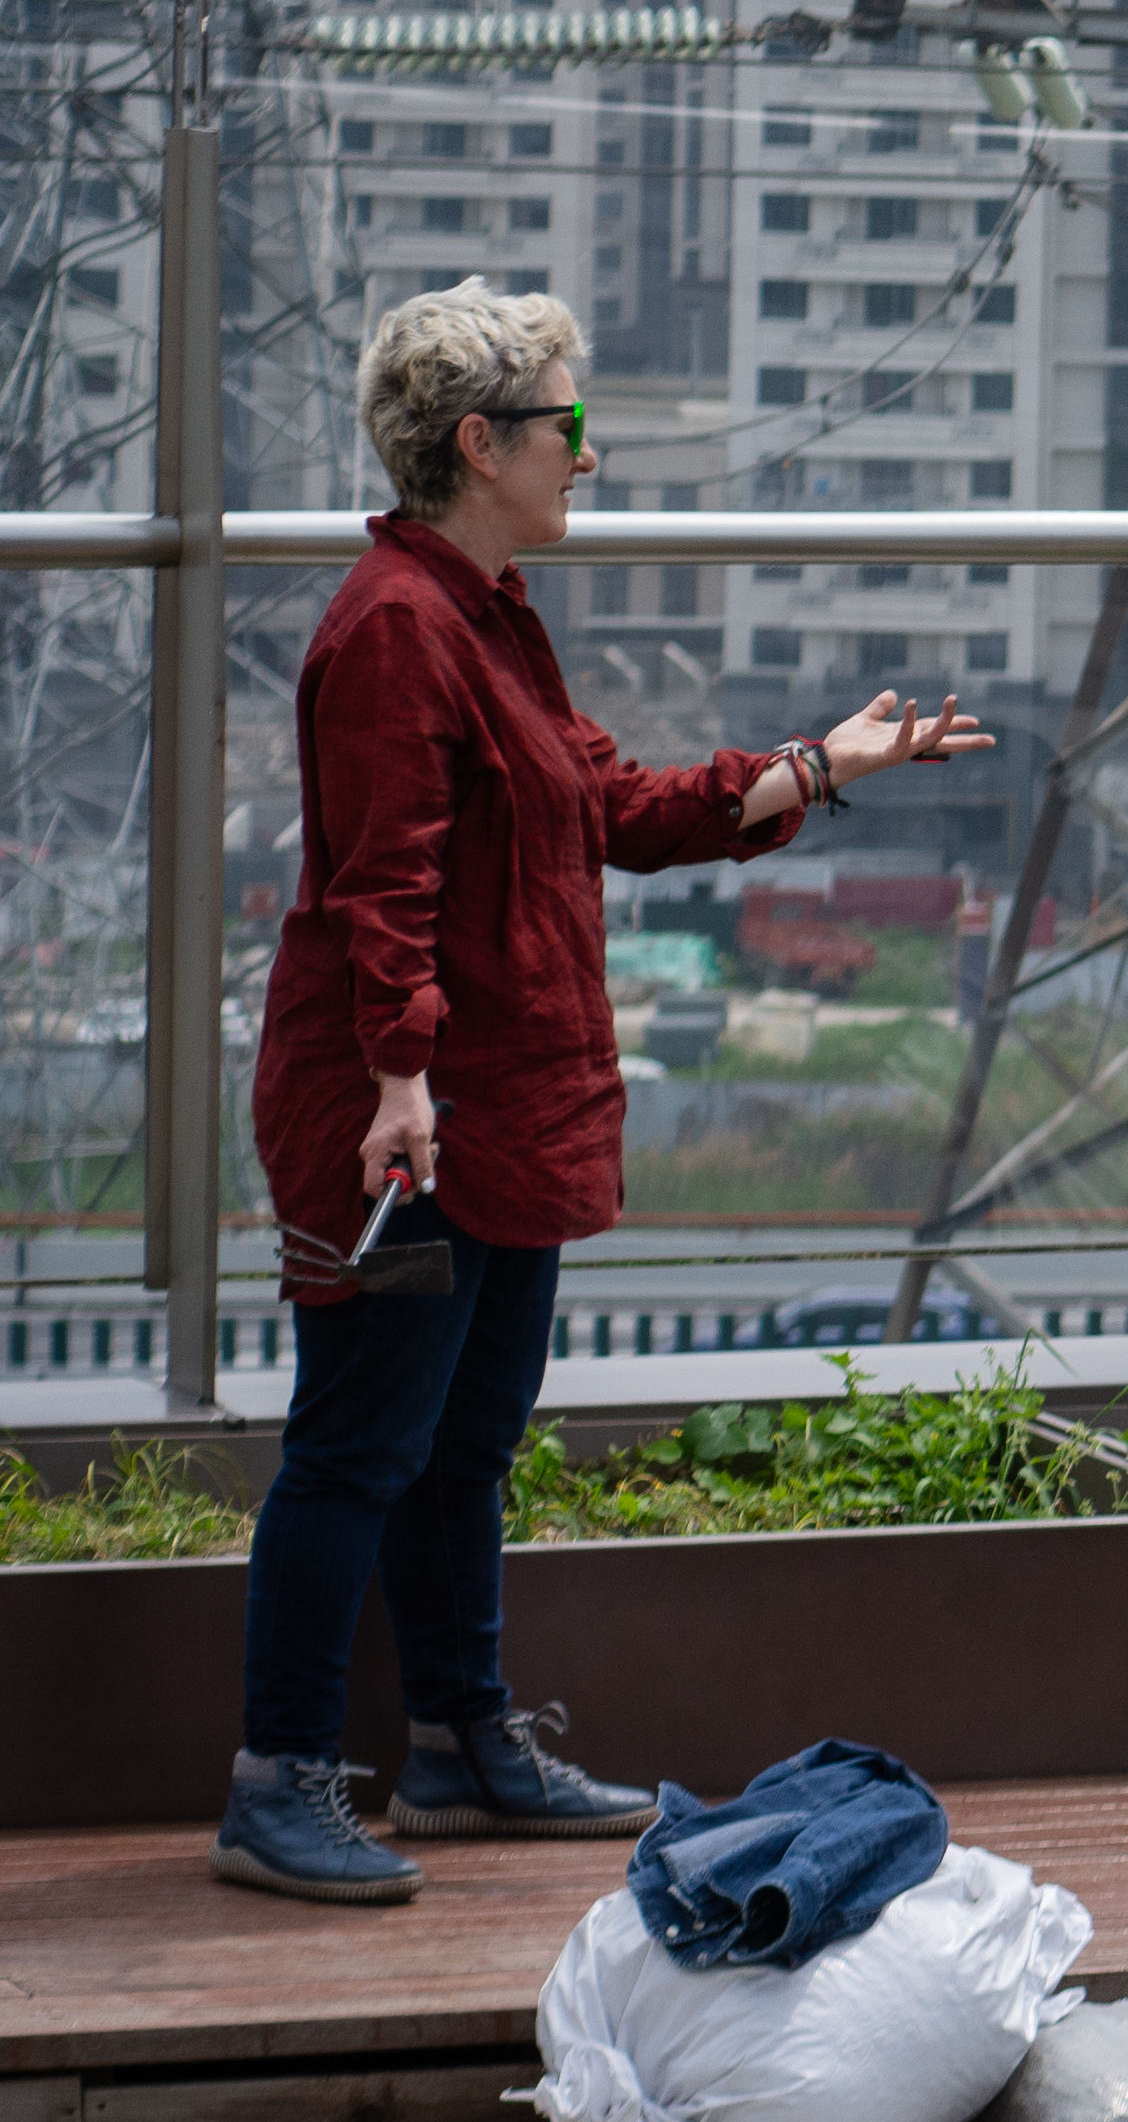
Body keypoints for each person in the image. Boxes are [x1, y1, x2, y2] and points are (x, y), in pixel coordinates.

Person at [227, 287, 986, 1908]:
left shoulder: (488, 611)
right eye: (570, 423)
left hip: (489, 1103)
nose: (594, 448)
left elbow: (611, 804)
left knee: (467, 1439)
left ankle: (458, 1737)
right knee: (359, 1442)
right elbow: (385, 886)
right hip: (404, 1116)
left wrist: (824, 762)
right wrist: (403, 1078)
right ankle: (275, 1780)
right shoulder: (394, 626)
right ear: (480, 443)